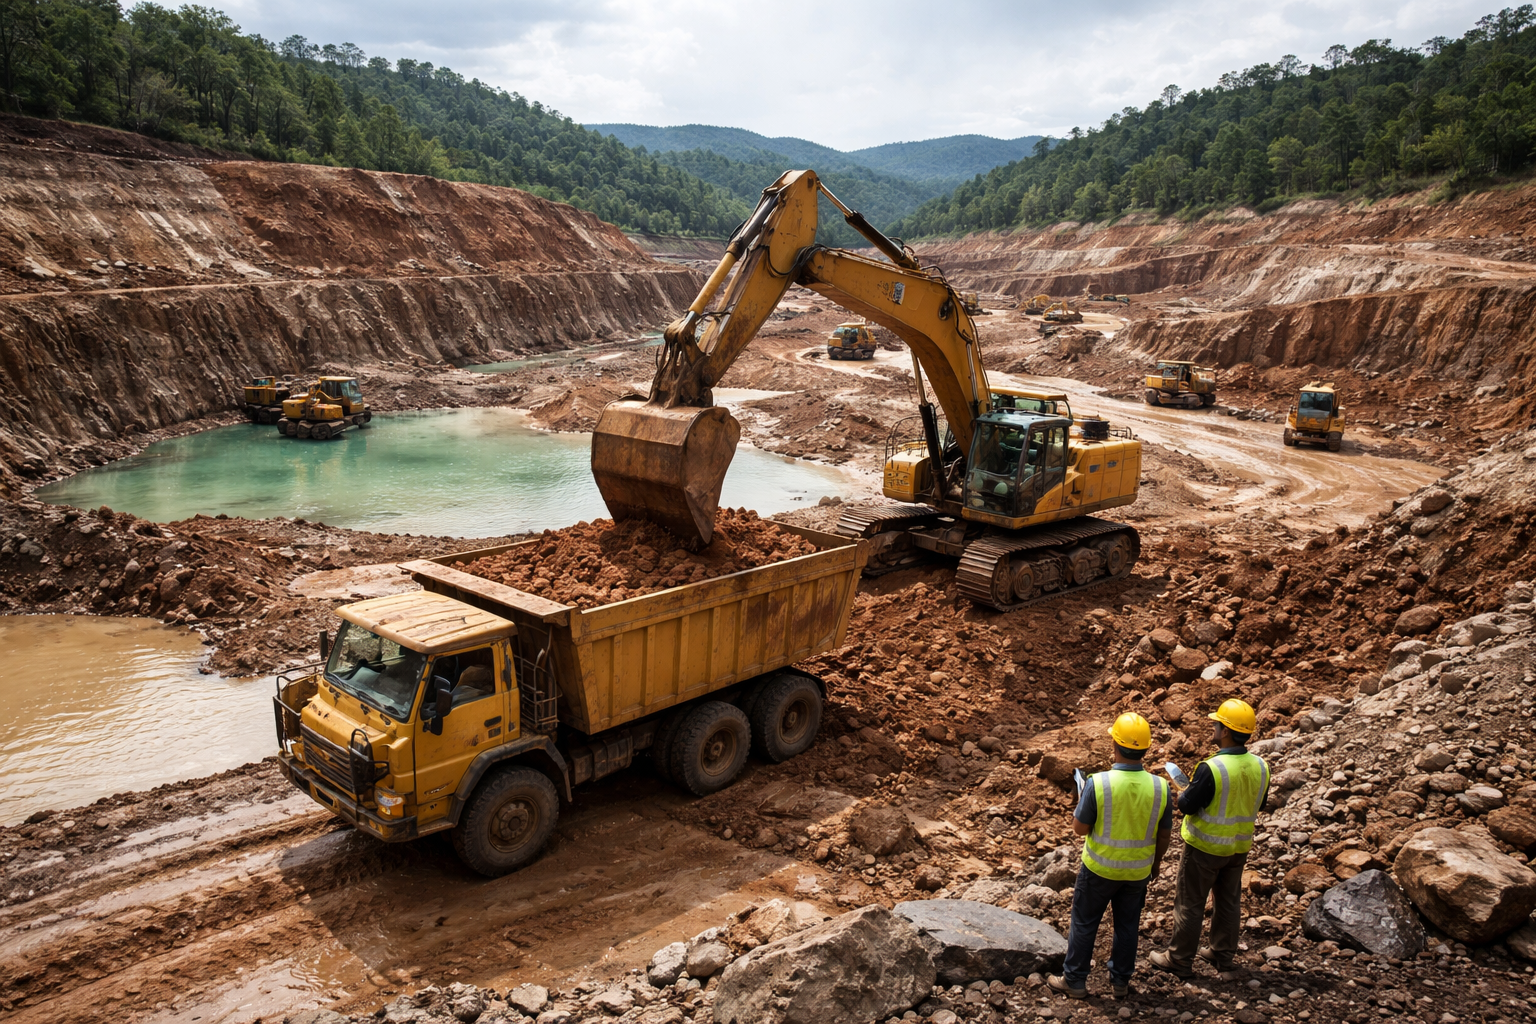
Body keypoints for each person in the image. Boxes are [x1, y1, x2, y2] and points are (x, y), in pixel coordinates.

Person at [1048, 712, 1172, 1000]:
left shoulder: (1099, 783)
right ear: (1146, 749)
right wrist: (1155, 864)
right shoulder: (1160, 787)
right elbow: (1164, 835)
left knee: (1084, 923)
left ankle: (1074, 981)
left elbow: (1079, 829)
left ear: (1114, 745)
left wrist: (1082, 800)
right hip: (1137, 872)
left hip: (1099, 870)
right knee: (1127, 926)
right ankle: (1120, 982)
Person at [1151, 698, 1270, 978]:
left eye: (1217, 724)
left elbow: (1187, 806)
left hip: (1205, 848)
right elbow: (1260, 803)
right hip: (1238, 846)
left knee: (1190, 902)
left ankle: (1179, 959)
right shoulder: (1261, 765)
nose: (1213, 727)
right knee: (1228, 901)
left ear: (1225, 731)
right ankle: (1222, 954)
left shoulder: (1212, 768)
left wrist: (1185, 793)